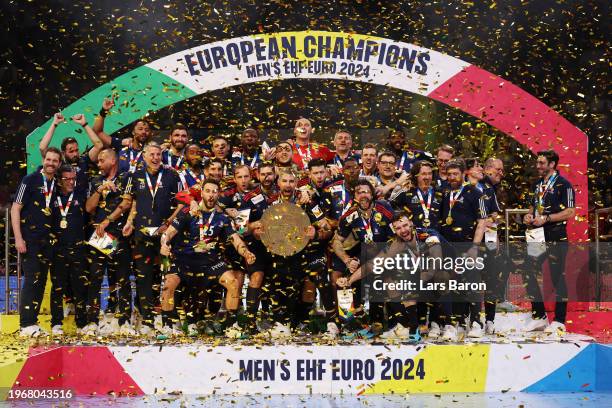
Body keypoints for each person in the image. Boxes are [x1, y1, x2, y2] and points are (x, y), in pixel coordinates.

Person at [161, 180, 256, 337]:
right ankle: (166, 326)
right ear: (202, 193)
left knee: (233, 282)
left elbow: (235, 239)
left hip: (210, 261)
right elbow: (169, 233)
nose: (211, 195)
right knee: (168, 284)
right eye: (208, 191)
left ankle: (232, 327)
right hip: (185, 260)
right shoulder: (187, 212)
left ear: (218, 194)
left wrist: (246, 253)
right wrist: (164, 244)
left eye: (214, 192)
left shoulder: (222, 217)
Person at [121, 142, 183, 335]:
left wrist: (168, 223)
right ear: (144, 156)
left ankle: (168, 320)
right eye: (152, 154)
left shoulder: (172, 175)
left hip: (166, 236)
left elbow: (182, 203)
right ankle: (147, 321)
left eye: (158, 154)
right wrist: (130, 221)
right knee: (144, 277)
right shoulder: (135, 176)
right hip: (142, 234)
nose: (155, 158)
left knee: (168, 277)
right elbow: (133, 202)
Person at [337, 212, 422, 340]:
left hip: (448, 272)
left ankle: (449, 325)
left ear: (411, 224)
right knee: (386, 277)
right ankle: (407, 326)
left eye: (405, 226)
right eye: (398, 228)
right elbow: (372, 265)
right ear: (394, 230)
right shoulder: (396, 244)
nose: (403, 230)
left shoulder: (428, 236)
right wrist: (349, 280)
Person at [522, 149, 575, 336]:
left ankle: (560, 321)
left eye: (542, 163)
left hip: (556, 235)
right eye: (537, 163)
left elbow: (570, 212)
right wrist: (529, 215)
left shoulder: (564, 185)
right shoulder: (537, 185)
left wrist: (547, 218)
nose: (538, 166)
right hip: (537, 235)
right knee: (527, 270)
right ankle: (539, 316)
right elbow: (532, 206)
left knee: (556, 276)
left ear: (552, 164)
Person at [332, 179, 395, 336]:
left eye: (366, 192)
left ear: (372, 194)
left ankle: (382, 323)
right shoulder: (349, 216)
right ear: (354, 196)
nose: (363, 195)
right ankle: (351, 325)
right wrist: (347, 260)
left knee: (379, 274)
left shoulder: (384, 208)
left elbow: (396, 239)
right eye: (359, 192)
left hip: (390, 252)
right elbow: (336, 242)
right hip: (365, 253)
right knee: (344, 280)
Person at [85, 148, 135, 336]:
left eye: (101, 160)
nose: (98, 164)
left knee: (122, 279)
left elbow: (128, 203)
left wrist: (109, 220)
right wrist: (99, 190)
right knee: (96, 277)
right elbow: (89, 208)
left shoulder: (127, 178)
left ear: (113, 161)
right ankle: (92, 322)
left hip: (119, 234)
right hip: (100, 236)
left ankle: (124, 321)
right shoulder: (95, 181)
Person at [14, 147, 62, 337]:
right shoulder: (30, 180)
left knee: (41, 281)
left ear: (58, 164)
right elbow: (15, 209)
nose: (51, 163)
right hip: (30, 240)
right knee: (32, 280)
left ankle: (32, 322)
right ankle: (25, 324)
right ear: (44, 160)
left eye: (55, 161)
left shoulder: (55, 184)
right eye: (48, 159)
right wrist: (18, 238)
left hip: (47, 242)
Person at [439, 159, 488, 341]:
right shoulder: (444, 194)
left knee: (472, 283)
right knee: (453, 284)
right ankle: (456, 323)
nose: (452, 177)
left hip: (469, 246)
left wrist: (475, 247)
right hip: (448, 247)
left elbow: (482, 221)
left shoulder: (475, 193)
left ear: (463, 174)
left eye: (455, 174)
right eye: (449, 174)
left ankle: (477, 322)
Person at [50, 165, 88, 335]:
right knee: (58, 287)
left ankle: (81, 323)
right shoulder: (51, 197)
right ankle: (56, 323)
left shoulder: (80, 194)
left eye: (73, 178)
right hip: (58, 249)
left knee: (79, 286)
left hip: (78, 247)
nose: (71, 182)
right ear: (59, 180)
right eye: (67, 179)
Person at [38, 113, 103, 190]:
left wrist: (84, 124)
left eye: (76, 150)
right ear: (63, 153)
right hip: (61, 200)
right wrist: (54, 124)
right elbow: (42, 148)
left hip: (83, 201)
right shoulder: (58, 164)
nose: (75, 154)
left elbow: (99, 145)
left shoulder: (84, 160)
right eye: (71, 151)